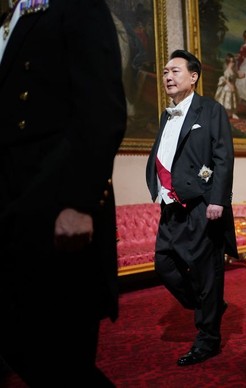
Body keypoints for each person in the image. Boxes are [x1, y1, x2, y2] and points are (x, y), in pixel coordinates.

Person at [0, 0, 127, 385]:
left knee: (60, 361)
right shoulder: (12, 18)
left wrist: (79, 202)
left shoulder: (75, 5)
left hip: (53, 211)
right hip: (11, 213)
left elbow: (101, 108)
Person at [145, 49, 238, 367]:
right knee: (164, 265)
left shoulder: (210, 110)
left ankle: (208, 339)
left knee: (206, 273)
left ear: (194, 76)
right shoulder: (165, 114)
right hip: (169, 206)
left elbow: (220, 158)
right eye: (165, 72)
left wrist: (214, 196)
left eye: (175, 71)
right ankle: (208, 304)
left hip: (200, 206)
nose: (168, 76)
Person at [214, 53, 240, 119]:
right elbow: (227, 80)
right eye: (231, 62)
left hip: (233, 87)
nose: (232, 63)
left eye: (233, 62)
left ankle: (233, 113)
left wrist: (241, 75)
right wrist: (231, 86)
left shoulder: (233, 71)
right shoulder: (227, 71)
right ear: (228, 63)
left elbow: (236, 76)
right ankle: (226, 113)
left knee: (233, 101)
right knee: (227, 102)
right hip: (228, 88)